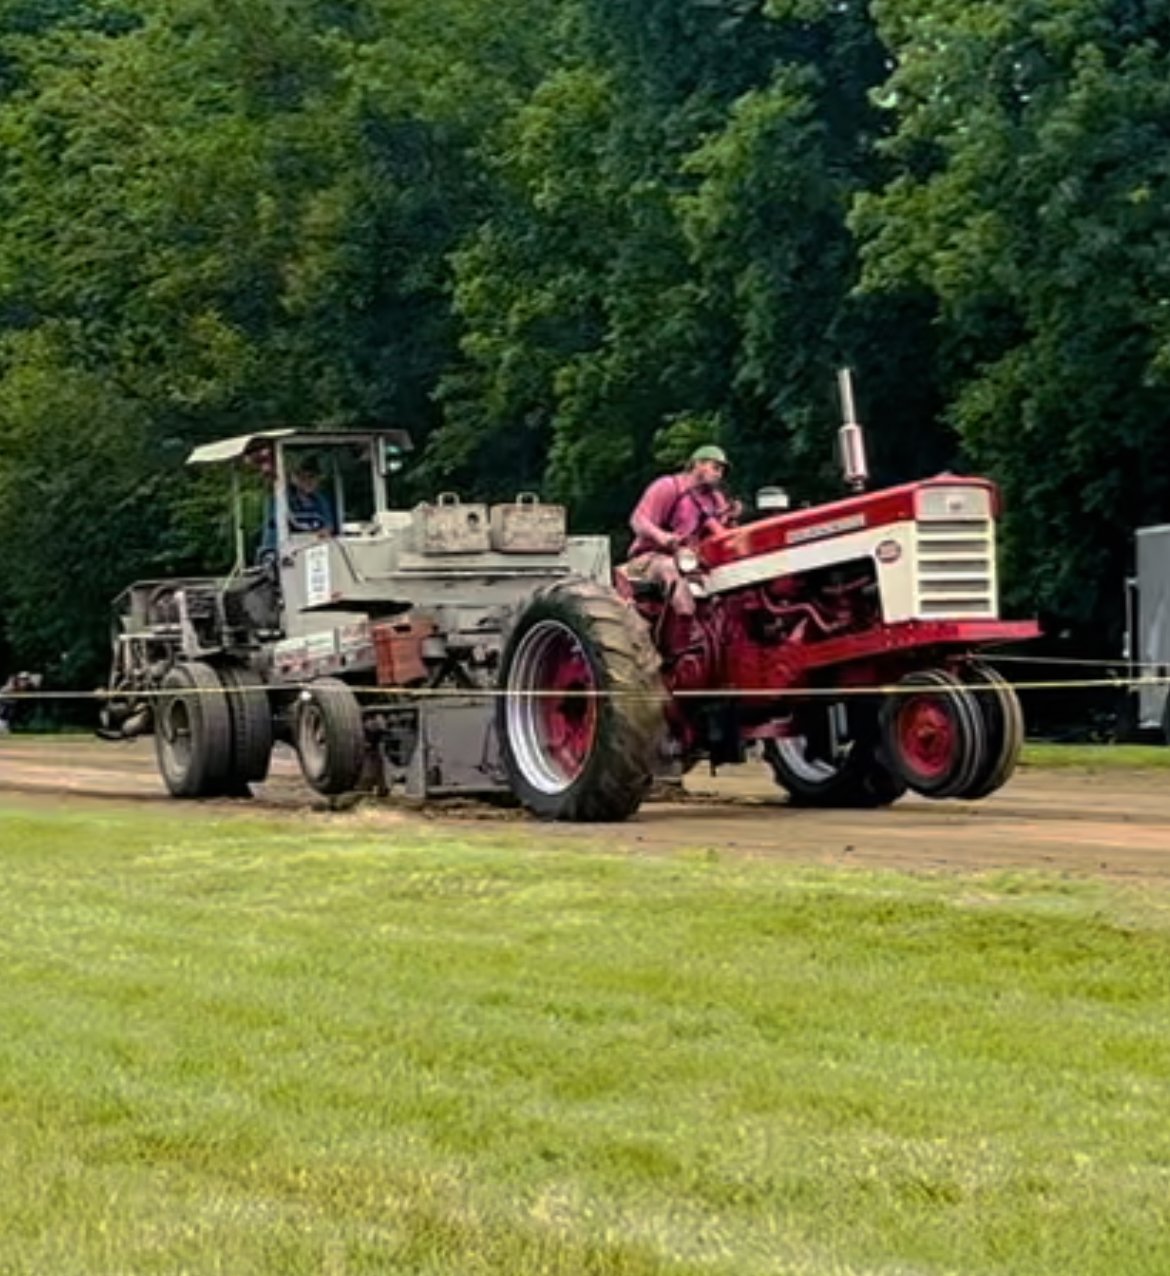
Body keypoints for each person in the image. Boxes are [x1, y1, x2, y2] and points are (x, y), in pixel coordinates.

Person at [625, 444, 738, 617]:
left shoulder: (716, 499)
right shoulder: (669, 486)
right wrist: (662, 537)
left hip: (692, 561)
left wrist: (731, 521)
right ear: (697, 464)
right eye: (715, 467)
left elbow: (719, 532)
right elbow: (638, 520)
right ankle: (687, 624)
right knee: (668, 568)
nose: (718, 474)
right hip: (650, 558)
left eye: (722, 470)